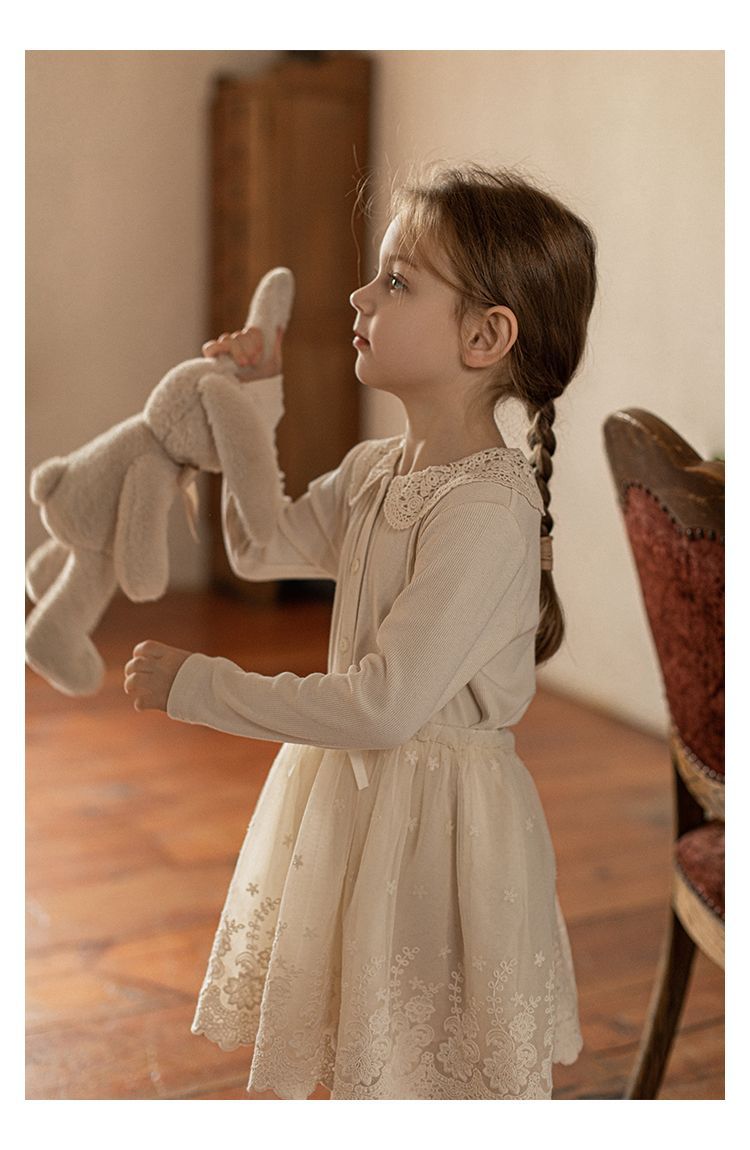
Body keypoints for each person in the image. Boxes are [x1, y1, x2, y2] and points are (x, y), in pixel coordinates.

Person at [124, 164, 597, 1100]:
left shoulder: (486, 511)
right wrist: (251, 403)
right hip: (358, 802)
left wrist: (201, 686)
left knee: (432, 1069)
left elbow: (381, 706)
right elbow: (261, 545)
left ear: (484, 336)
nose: (359, 295)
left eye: (398, 280)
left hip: (438, 832)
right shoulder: (378, 469)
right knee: (364, 1053)